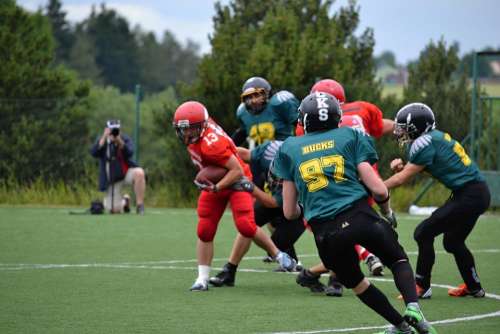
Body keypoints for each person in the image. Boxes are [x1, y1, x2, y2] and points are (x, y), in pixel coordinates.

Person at [274, 92, 436, 334]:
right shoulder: (350, 135)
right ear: (337, 116)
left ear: (304, 120)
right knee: (397, 259)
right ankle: (412, 307)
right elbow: (379, 190)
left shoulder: (289, 147)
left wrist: (303, 208)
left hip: (325, 232)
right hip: (359, 215)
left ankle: (401, 326)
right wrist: (387, 212)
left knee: (358, 284)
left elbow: (289, 212)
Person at [172, 101, 296, 291]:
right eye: (183, 129)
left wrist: (217, 187)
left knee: (246, 225)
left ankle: (278, 254)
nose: (186, 133)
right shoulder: (199, 129)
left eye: (191, 129)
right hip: (219, 177)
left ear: (202, 127)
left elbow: (236, 170)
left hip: (237, 178)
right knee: (205, 228)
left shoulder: (210, 144)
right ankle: (202, 278)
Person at [384, 102, 490, 299]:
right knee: (453, 241)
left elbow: (401, 179)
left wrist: (376, 186)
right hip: (473, 192)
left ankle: (422, 286)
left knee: (423, 233)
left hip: (469, 195)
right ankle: (474, 287)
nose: (400, 133)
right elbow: (420, 169)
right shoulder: (433, 138)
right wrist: (403, 168)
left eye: (405, 129)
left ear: (416, 128)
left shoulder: (423, 143)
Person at [296, 79, 391, 296]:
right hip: (363, 175)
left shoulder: (305, 126)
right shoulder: (363, 109)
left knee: (335, 231)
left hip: (334, 181)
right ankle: (344, 269)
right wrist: (401, 125)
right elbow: (379, 126)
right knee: (347, 228)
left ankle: (347, 267)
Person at [208, 140, 306, 287]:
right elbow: (244, 154)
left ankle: (321, 275)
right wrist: (222, 155)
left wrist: (250, 187)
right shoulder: (268, 151)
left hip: (298, 208)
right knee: (247, 223)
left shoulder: (300, 168)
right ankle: (229, 270)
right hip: (274, 197)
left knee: (276, 244)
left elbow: (273, 203)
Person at [90, 119, 146, 214]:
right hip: (112, 179)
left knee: (139, 173)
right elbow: (94, 153)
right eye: (111, 129)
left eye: (116, 129)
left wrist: (119, 142)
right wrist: (104, 137)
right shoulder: (103, 140)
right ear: (106, 129)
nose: (113, 132)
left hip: (125, 173)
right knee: (114, 210)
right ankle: (125, 201)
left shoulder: (124, 139)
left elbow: (130, 153)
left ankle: (140, 205)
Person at [232, 76, 299, 150]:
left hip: (285, 152)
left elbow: (300, 125)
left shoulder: (278, 104)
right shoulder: (243, 113)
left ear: (267, 94)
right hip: (261, 158)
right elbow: (242, 133)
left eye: (257, 95)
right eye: (249, 97)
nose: (253, 101)